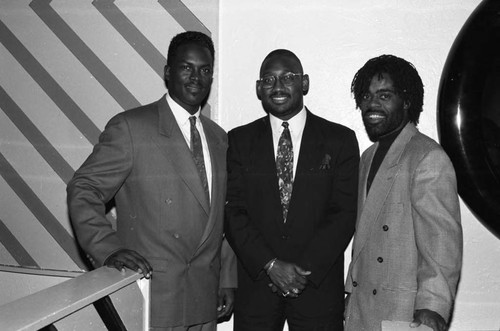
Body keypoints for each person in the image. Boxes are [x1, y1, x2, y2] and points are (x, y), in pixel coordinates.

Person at [67, 31, 236, 330]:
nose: (196, 77)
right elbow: (84, 188)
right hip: (152, 297)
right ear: (168, 72)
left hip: (204, 298)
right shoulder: (131, 128)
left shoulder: (219, 138)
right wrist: (109, 249)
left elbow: (221, 216)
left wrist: (226, 277)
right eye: (186, 67)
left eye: (205, 70)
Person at [225, 49, 359, 331]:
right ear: (259, 88)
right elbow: (233, 211)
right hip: (257, 288)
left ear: (304, 83)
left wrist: (300, 273)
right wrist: (271, 265)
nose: (278, 86)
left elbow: (344, 213)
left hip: (317, 288)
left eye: (288, 77)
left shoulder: (340, 140)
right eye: (269, 79)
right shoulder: (238, 140)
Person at [344, 54, 463, 331]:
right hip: (362, 312)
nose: (372, 104)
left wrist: (432, 308)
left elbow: (441, 243)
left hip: (404, 315)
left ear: (407, 102)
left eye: (384, 95)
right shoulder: (368, 157)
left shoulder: (427, 157)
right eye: (366, 96)